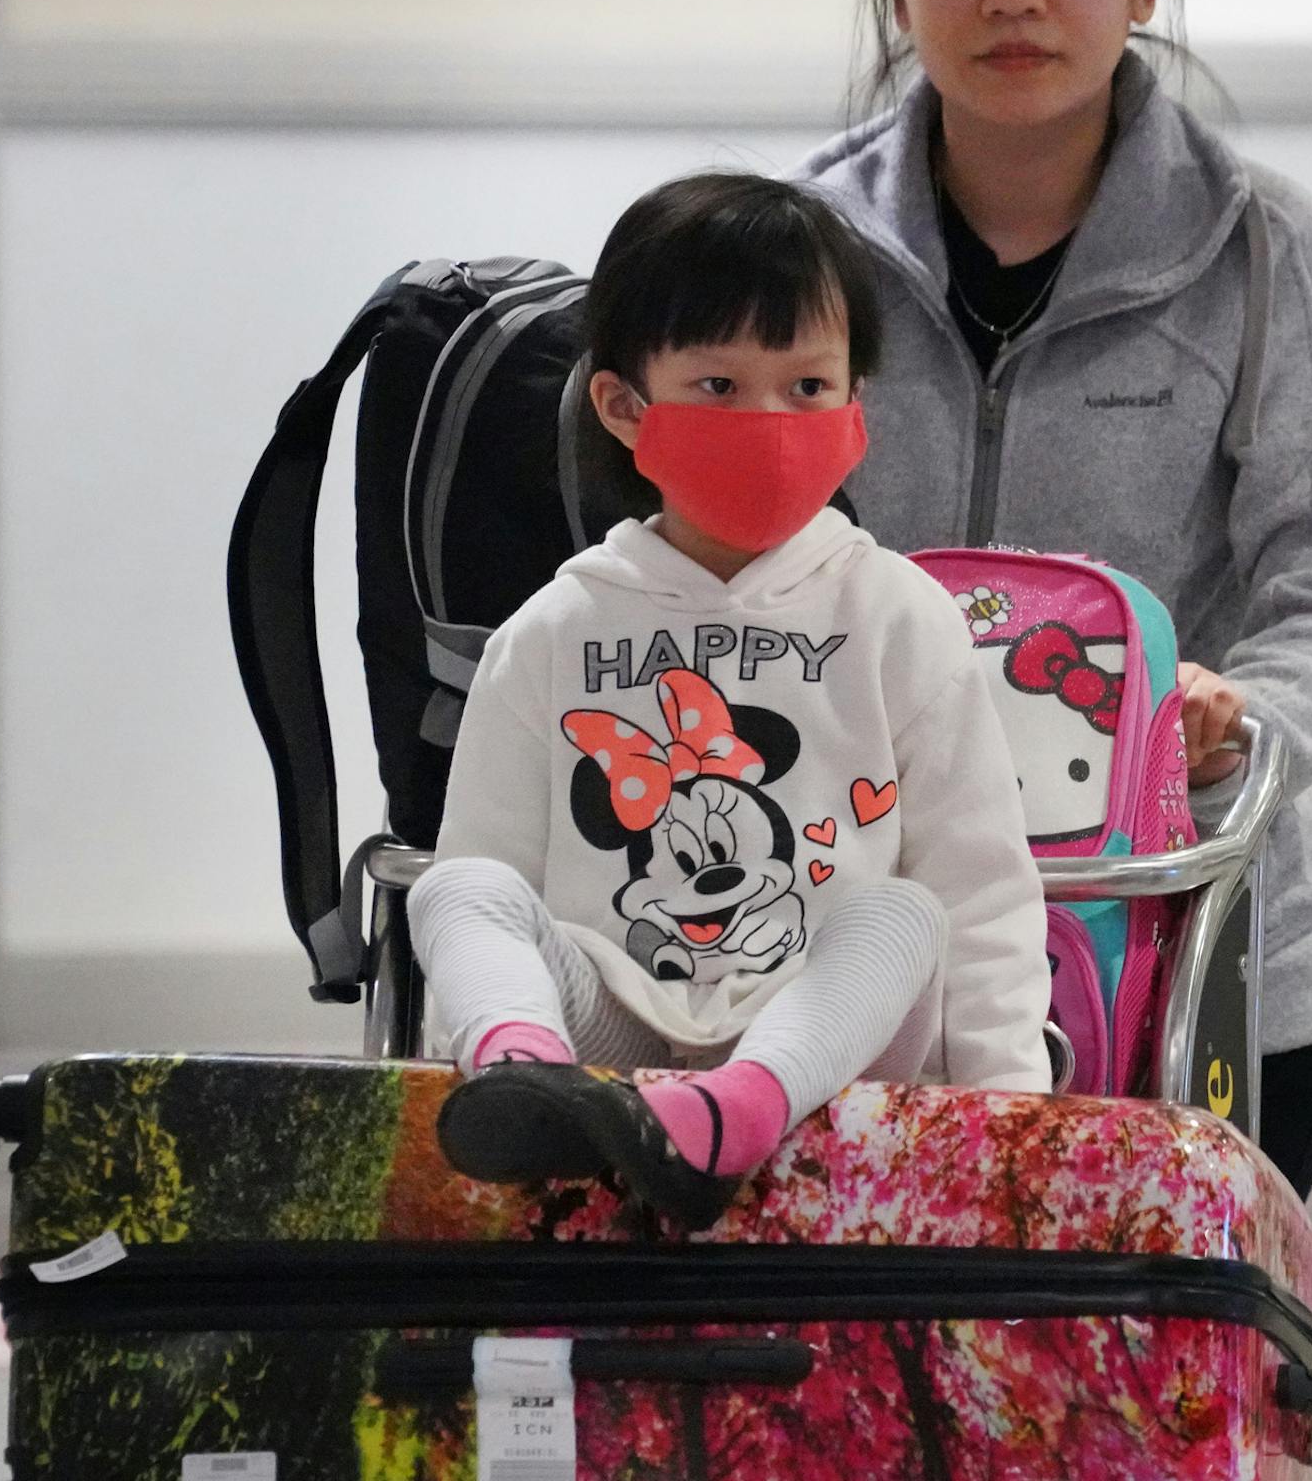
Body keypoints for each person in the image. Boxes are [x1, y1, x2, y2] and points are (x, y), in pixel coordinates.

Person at [797, 0, 1312, 1198]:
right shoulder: (796, 248)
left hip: (1200, 957)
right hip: (867, 960)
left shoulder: (1262, 248)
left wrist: (1232, 715)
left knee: (1165, 1411)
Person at [408, 173, 1052, 1222]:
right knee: (454, 891)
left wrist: (1012, 1130)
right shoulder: (550, 634)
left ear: (856, 410)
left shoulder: (899, 615)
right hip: (608, 1038)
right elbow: (492, 879)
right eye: (718, 386)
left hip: (828, 1037)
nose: (770, 419)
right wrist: (525, 1022)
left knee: (904, 913)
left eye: (807, 387)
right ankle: (521, 1083)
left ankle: (741, 1105)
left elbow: (984, 896)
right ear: (623, 405)